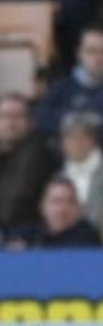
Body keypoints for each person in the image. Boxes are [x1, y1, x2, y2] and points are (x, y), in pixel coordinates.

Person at [0, 93, 57, 240]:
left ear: (31, 122)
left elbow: (16, 201)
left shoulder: (36, 152)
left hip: (26, 234)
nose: (10, 123)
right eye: (5, 116)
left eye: (18, 117)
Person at [8, 177, 103, 249]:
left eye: (70, 202)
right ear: (42, 206)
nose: (63, 208)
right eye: (56, 201)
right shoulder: (28, 234)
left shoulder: (88, 237)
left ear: (79, 208)